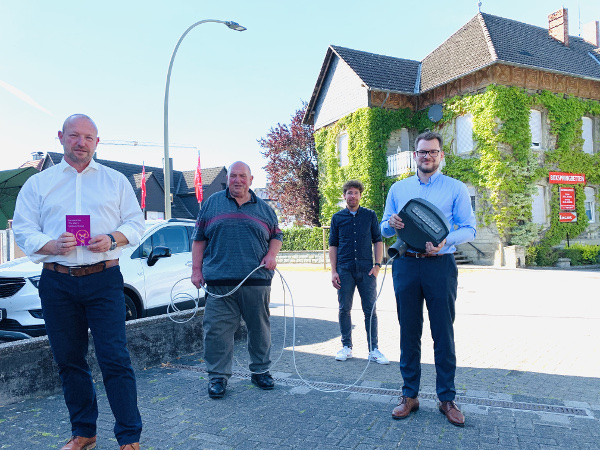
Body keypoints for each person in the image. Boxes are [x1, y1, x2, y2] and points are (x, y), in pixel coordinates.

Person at [13, 114, 144, 450]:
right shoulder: (38, 184)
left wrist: (113, 239)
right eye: (74, 136)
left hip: (104, 280)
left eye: (88, 137)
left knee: (114, 359)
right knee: (69, 360)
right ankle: (84, 432)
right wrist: (52, 245)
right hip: (57, 282)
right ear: (61, 137)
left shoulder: (115, 181)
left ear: (97, 142)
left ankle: (129, 438)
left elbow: (136, 224)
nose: (81, 143)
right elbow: (24, 229)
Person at [380, 131, 476, 427]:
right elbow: (384, 229)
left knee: (443, 334)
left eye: (433, 152)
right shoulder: (399, 188)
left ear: (441, 155)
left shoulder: (456, 188)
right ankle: (409, 395)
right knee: (409, 332)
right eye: (422, 152)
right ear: (415, 156)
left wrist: (445, 242)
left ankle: (446, 398)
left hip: (440, 266)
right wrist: (390, 223)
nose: (427, 157)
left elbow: (469, 229)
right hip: (406, 266)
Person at [191, 161, 283, 399]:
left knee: (259, 330)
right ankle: (217, 377)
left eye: (243, 176)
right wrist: (196, 270)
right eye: (233, 175)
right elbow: (199, 239)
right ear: (228, 179)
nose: (238, 180)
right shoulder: (212, 204)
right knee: (216, 331)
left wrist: (272, 254)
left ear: (251, 180)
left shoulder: (264, 209)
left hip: (256, 280)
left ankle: (260, 371)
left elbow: (276, 236)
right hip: (219, 283)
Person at [329, 180, 388, 364]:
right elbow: (333, 245)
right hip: (344, 270)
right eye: (349, 193)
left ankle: (373, 349)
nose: (352, 196)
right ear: (344, 196)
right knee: (344, 309)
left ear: (360, 195)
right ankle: (346, 347)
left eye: (355, 192)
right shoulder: (337, 218)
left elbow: (378, 241)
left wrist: (377, 265)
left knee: (370, 310)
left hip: (366, 271)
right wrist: (333, 271)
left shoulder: (370, 216)